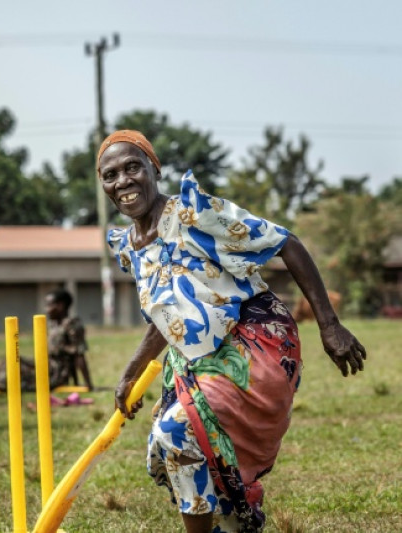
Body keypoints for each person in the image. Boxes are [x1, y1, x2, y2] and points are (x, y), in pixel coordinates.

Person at [100, 130, 366, 533]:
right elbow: (168, 316)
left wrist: (329, 325)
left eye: (132, 167)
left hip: (250, 342)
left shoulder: (193, 213)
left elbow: (285, 243)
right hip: (192, 359)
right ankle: (236, 523)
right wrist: (129, 373)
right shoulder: (131, 247)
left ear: (154, 168)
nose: (122, 181)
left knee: (177, 431)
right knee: (179, 451)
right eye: (110, 174)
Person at [44, 288, 94, 391]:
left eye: (49, 305)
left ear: (60, 305)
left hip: (57, 374)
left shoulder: (71, 324)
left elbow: (79, 354)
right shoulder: (53, 325)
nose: (46, 309)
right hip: (46, 368)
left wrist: (88, 385)